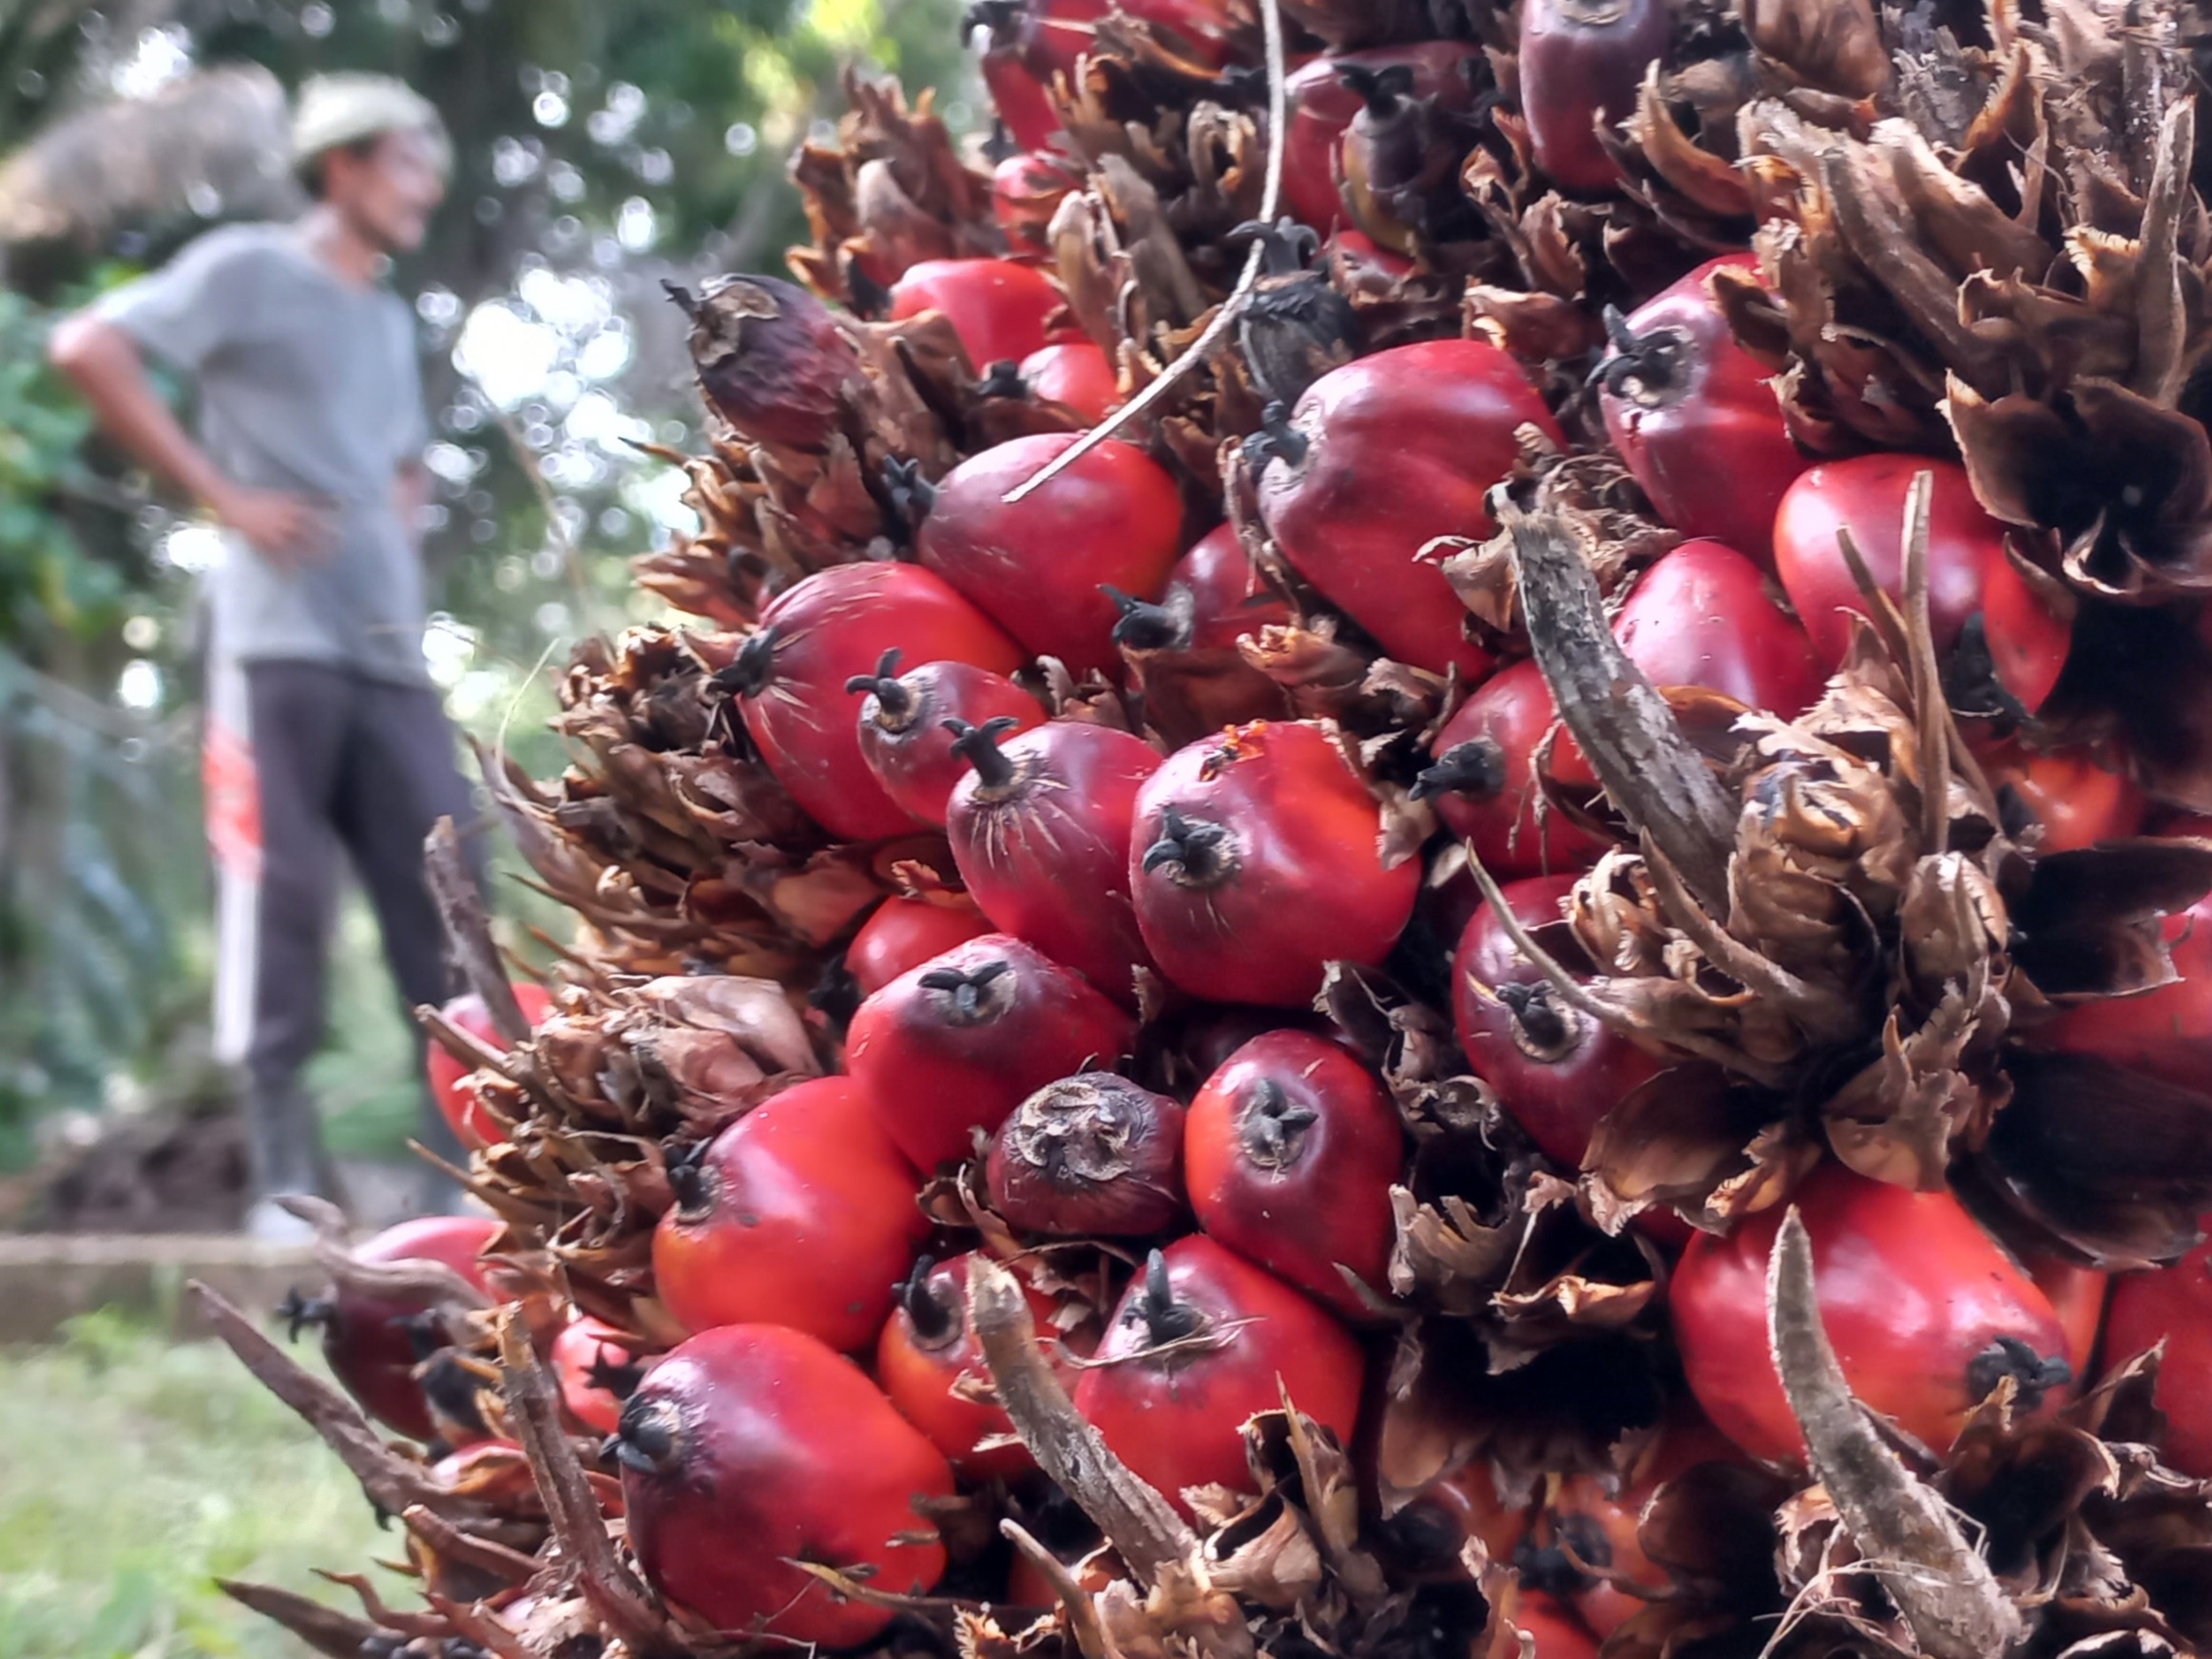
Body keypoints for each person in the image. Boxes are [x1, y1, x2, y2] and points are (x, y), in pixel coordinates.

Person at [49, 74, 486, 1238]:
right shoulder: (251, 268)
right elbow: (90, 345)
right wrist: (224, 497)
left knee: (449, 886)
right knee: (279, 892)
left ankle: (463, 1174)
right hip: (275, 644)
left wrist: (398, 517)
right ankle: (285, 1184)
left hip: (388, 650)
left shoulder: (388, 317)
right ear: (339, 165)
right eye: (404, 161)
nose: (424, 186)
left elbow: (398, 457)